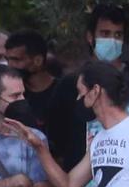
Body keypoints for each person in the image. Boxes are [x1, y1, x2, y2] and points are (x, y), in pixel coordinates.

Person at [6, 31, 87, 170]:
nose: (10, 66)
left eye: (16, 60)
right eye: (8, 60)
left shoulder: (66, 92)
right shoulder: (11, 97)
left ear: (37, 60)